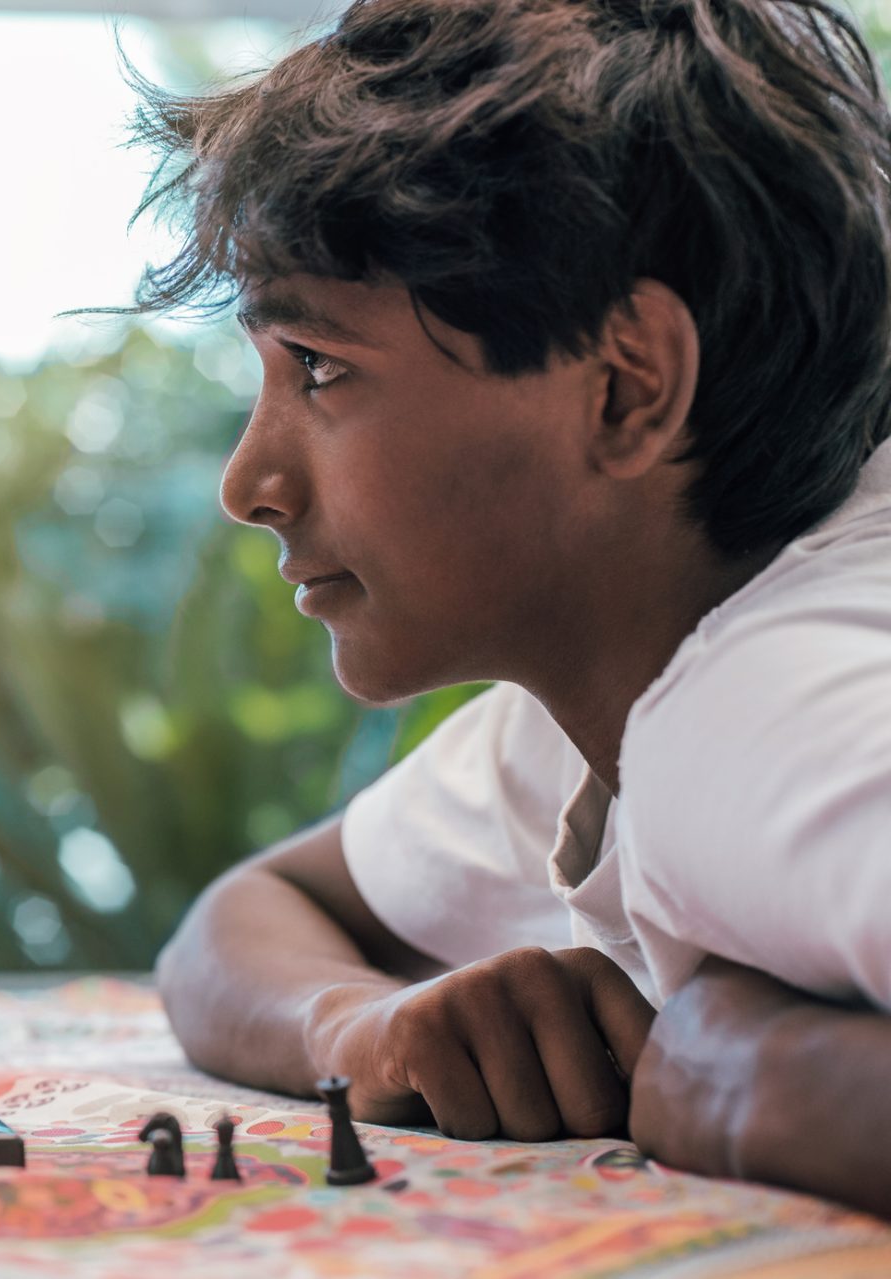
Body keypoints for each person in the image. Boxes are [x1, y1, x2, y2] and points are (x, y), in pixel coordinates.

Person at [145, 0, 891, 1218]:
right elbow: (240, 923)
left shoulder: (771, 698)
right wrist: (362, 1029)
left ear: (623, 388)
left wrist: (727, 1077)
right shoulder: (608, 682)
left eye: (321, 367)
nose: (247, 485)